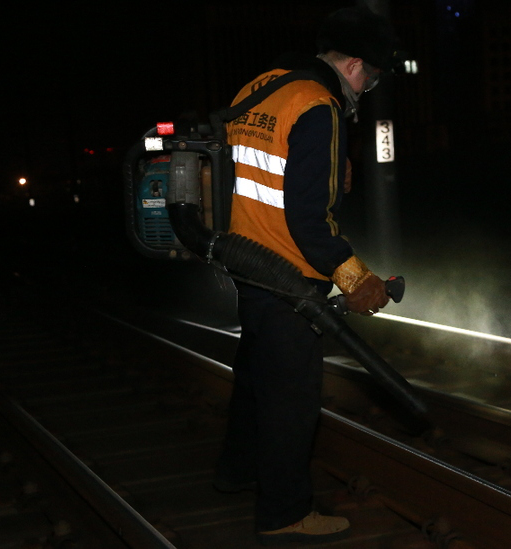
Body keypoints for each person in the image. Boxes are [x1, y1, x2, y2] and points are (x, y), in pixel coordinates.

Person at [213, 6, 401, 546]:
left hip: (245, 260)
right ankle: (284, 514)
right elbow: (307, 218)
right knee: (290, 399)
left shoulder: (261, 87)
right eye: (370, 79)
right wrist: (353, 275)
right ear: (356, 65)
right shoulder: (319, 105)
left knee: (254, 380)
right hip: (287, 275)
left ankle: (236, 471)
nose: (366, 91)